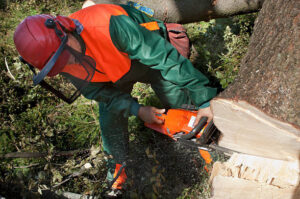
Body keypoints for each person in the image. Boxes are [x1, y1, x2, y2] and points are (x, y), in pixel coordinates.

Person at [14, 4, 217, 198]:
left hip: (147, 55)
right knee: (109, 119)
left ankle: (210, 154)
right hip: (112, 74)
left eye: (64, 57)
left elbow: (164, 58)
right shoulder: (60, 61)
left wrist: (205, 99)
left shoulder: (107, 24)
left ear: (66, 30)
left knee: (179, 101)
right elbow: (102, 94)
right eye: (57, 64)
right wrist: (137, 109)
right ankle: (118, 175)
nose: (67, 64)